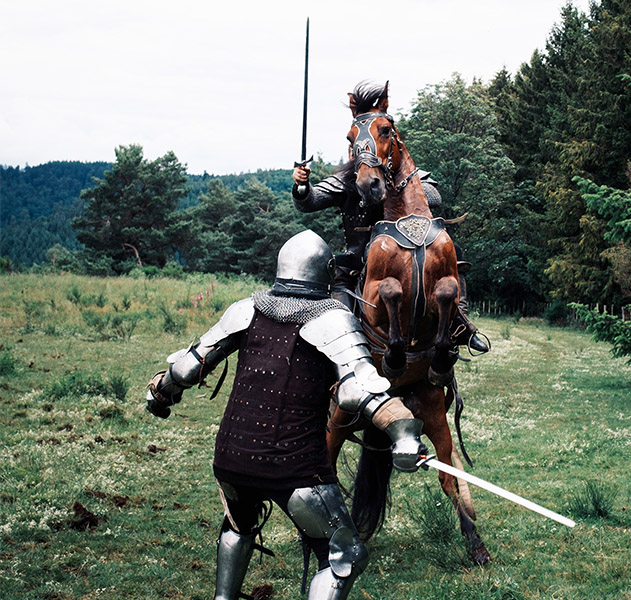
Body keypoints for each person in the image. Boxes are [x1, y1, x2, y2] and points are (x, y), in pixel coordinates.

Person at [145, 230, 426, 600]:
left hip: (231, 459)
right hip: (294, 468)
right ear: (326, 272)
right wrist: (404, 435)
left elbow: (184, 369)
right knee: (346, 554)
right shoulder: (334, 320)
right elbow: (357, 388)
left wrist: (159, 393)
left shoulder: (245, 308)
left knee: (238, 524)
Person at [291, 81, 489, 355]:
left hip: (412, 248)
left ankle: (460, 324)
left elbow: (434, 197)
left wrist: (396, 188)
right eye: (359, 145)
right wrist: (302, 185)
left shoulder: (403, 171)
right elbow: (309, 202)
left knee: (453, 253)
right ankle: (338, 345)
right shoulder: (345, 179)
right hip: (360, 255)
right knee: (339, 302)